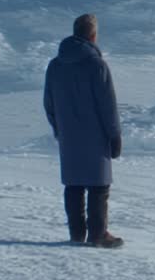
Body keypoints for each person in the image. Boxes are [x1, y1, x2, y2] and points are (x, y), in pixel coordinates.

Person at [43, 13, 124, 248]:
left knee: (74, 184)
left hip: (69, 136)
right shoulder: (96, 65)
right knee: (99, 186)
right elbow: (107, 105)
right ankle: (99, 234)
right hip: (95, 135)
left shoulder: (55, 65)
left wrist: (59, 128)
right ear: (93, 35)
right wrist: (114, 135)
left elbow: (48, 103)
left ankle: (76, 234)